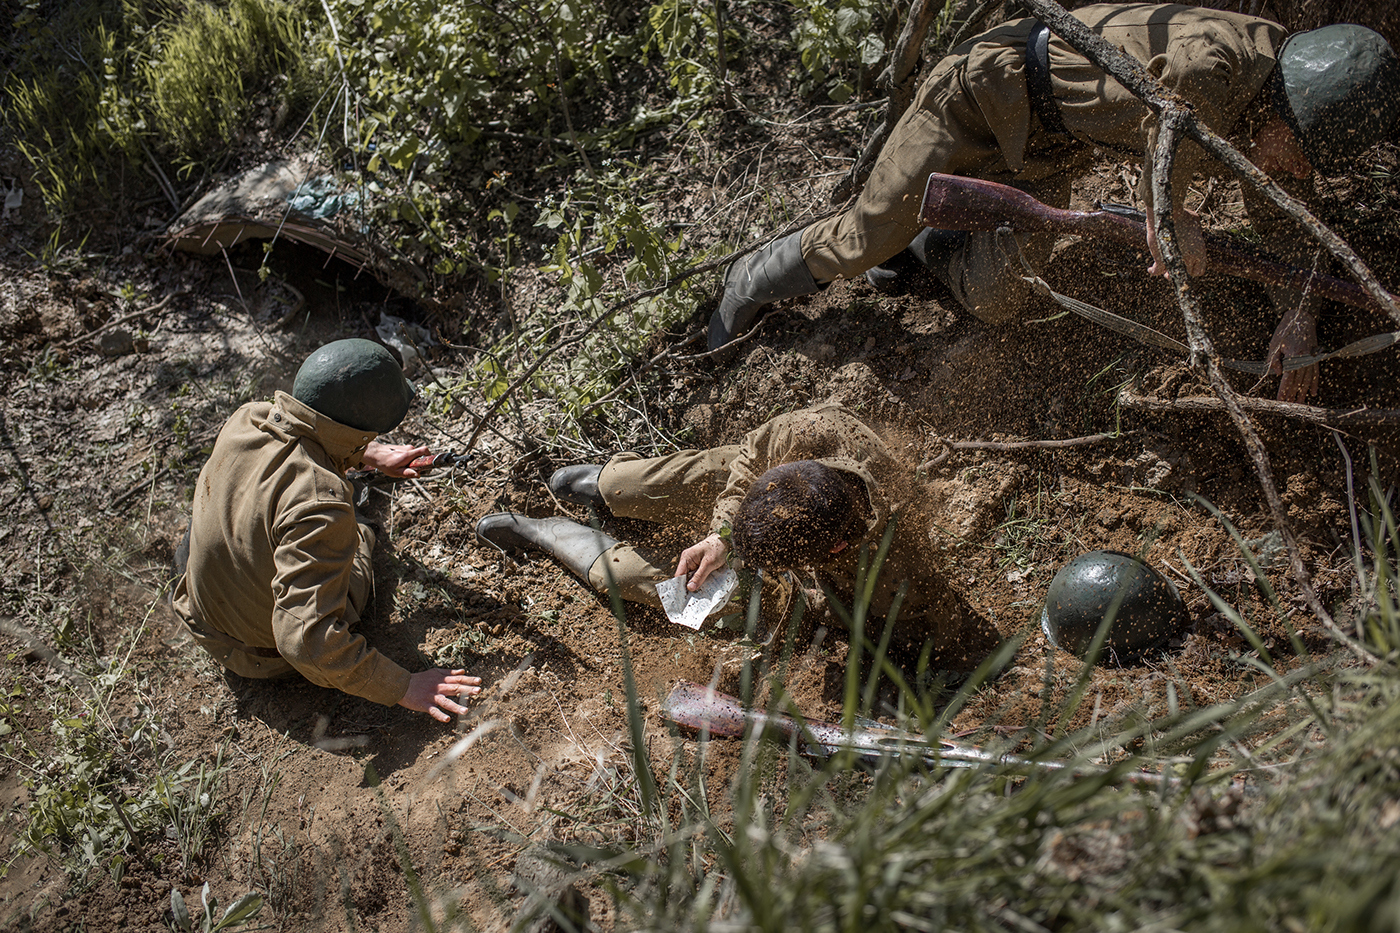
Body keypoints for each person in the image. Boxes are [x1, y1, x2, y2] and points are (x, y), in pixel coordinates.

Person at [706, 5, 1400, 403]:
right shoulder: (1209, 74)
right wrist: (1172, 225)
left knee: (997, 298)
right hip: (980, 97)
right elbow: (1165, 176)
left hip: (1052, 144)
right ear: (1290, 110)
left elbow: (1290, 221)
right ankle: (750, 279)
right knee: (860, 238)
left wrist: (1300, 322)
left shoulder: (1290, 101)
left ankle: (927, 247)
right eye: (1299, 154)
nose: (1294, 170)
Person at [474, 405, 1002, 669]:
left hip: (805, 585)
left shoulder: (894, 573)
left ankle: (549, 535)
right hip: (758, 508)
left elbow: (890, 630)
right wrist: (724, 534)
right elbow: (752, 457)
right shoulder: (817, 434)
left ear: (835, 551)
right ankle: (608, 486)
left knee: (645, 581)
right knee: (651, 481)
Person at [171, 338, 483, 722]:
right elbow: (304, 642)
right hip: (260, 655)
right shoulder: (323, 503)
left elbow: (303, 428)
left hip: (202, 615)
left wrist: (368, 453)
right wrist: (403, 686)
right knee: (359, 534)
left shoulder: (248, 418)